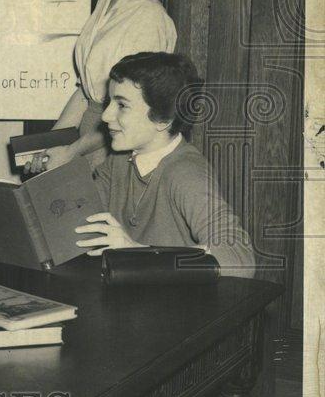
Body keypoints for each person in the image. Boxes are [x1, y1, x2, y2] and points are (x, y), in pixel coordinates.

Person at [26, 0, 177, 174]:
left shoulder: (148, 19)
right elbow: (86, 92)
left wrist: (69, 152)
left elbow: (132, 116)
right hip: (87, 139)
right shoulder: (105, 4)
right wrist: (46, 147)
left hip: (115, 148)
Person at [74, 52, 257, 278]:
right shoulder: (120, 160)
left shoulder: (186, 173)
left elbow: (240, 260)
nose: (106, 116)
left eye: (121, 105)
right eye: (109, 102)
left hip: (177, 305)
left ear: (162, 119)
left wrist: (138, 252)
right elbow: (79, 214)